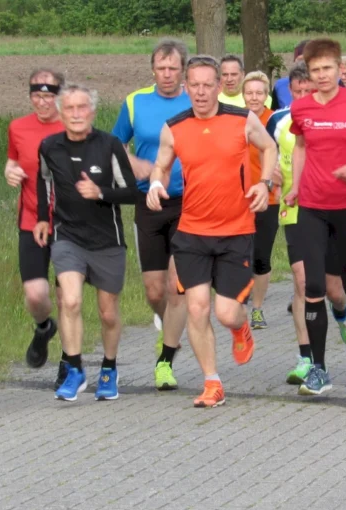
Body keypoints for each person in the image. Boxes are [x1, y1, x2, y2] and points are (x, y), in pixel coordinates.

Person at [148, 55, 277, 408]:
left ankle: (240, 328)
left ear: (219, 86)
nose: (201, 92)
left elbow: (269, 147)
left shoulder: (241, 119)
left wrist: (264, 184)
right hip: (191, 232)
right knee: (197, 307)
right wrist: (154, 186)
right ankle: (212, 383)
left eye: (208, 85)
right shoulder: (173, 127)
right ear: (185, 87)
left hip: (236, 230)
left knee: (225, 313)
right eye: (195, 85)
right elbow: (160, 165)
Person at [286, 38, 346, 396]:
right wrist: (295, 186)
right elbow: (300, 146)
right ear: (308, 73)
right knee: (313, 287)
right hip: (311, 206)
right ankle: (319, 369)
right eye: (315, 70)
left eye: (328, 69)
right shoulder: (302, 108)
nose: (322, 75)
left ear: (340, 69)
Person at [34, 85, 139, 402]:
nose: (76, 114)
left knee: (107, 313)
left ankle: (109, 368)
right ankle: (75, 369)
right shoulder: (49, 146)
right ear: (61, 113)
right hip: (68, 237)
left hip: (108, 240)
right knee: (70, 301)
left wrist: (102, 193)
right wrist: (42, 218)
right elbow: (43, 183)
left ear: (92, 112)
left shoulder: (108, 145)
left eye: (82, 108)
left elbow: (133, 192)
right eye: (70, 109)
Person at [268, 64, 346, 385]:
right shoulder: (277, 121)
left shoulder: (339, 115)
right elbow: (263, 151)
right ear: (288, 92)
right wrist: (270, 173)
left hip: (333, 208)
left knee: (333, 289)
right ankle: (307, 358)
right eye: (297, 92)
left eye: (309, 91)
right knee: (303, 282)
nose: (303, 97)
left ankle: (342, 311)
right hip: (295, 209)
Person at [112, 39, 192, 392]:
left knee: (178, 286)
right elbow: (114, 145)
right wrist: (137, 164)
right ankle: (168, 329)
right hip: (149, 202)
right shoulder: (135, 102)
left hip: (190, 203)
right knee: (153, 289)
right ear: (152, 70)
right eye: (161, 68)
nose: (167, 75)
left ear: (183, 70)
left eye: (173, 68)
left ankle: (166, 359)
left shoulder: (197, 100)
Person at [5, 69, 65, 382]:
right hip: (31, 219)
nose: (43, 102)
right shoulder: (17, 127)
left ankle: (69, 364)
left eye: (49, 96)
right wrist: (10, 172)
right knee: (36, 295)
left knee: (69, 297)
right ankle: (44, 328)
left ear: (60, 96)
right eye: (37, 96)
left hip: (69, 223)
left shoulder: (72, 126)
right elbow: (13, 162)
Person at [242, 71, 279, 329]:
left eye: (259, 92)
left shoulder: (275, 120)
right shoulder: (234, 119)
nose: (254, 97)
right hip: (239, 197)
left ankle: (257, 309)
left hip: (269, 198)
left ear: (266, 96)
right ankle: (238, 302)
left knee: (261, 256)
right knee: (240, 253)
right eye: (249, 92)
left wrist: (280, 173)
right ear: (243, 95)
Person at [271, 39, 309, 110]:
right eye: (301, 60)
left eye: (309, 60)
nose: (304, 63)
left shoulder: (329, 84)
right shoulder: (280, 85)